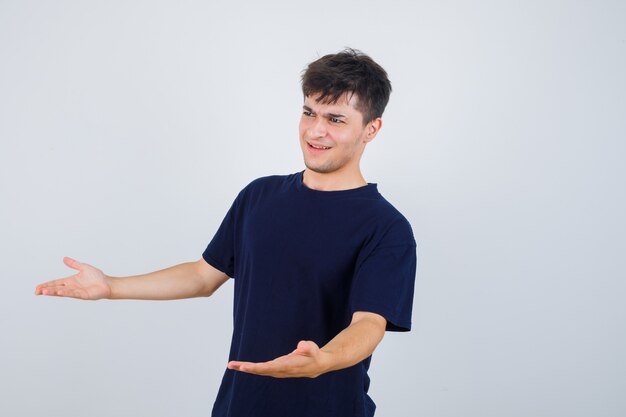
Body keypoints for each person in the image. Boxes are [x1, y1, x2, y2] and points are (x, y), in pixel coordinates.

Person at [35, 48, 417, 417]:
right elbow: (203, 275)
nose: (315, 131)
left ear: (371, 129)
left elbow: (369, 324)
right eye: (308, 112)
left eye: (335, 119)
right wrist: (112, 286)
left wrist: (325, 360)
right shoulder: (259, 196)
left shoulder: (386, 228)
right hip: (240, 404)